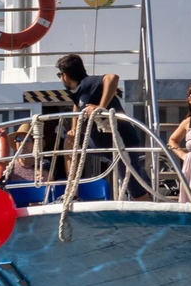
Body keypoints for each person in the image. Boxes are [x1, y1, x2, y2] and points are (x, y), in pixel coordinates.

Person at [56, 53, 147, 199]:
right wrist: (74, 129)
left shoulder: (88, 82)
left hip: (122, 144)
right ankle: (72, 193)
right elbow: (76, 105)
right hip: (103, 145)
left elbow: (112, 77)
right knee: (70, 141)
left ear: (65, 76)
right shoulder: (78, 92)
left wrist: (101, 107)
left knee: (135, 190)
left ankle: (151, 217)